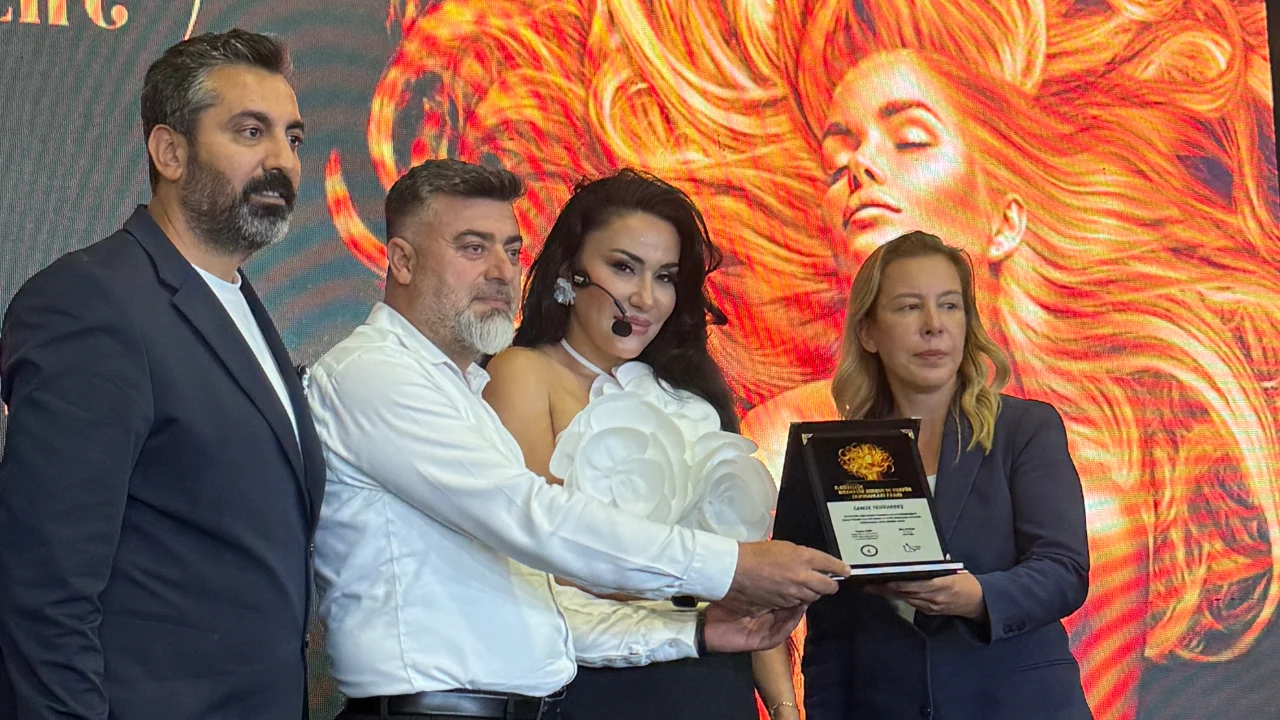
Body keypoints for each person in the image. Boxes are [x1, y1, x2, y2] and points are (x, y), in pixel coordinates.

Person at [325, 3, 1280, 717]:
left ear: (1007, 218)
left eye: (910, 136)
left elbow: (1062, 583)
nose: (860, 167)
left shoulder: (1048, 444)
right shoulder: (781, 430)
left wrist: (967, 598)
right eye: (837, 152)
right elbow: (544, 548)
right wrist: (757, 641)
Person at [306, 159, 849, 720]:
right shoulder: (375, 373)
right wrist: (730, 567)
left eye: (511, 250)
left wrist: (692, 633)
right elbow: (535, 519)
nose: (500, 271)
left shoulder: (463, 388)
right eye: (472, 248)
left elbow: (539, 614)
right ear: (401, 260)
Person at [0, 29, 325, 720]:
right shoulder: (91, 302)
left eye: (292, 138)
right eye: (250, 132)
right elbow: (46, 590)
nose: (282, 160)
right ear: (169, 152)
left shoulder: (242, 303)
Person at [482, 169, 794, 720]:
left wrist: (784, 705)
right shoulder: (522, 373)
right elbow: (543, 554)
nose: (646, 298)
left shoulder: (692, 395)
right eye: (624, 267)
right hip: (596, 682)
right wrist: (700, 582)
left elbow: (748, 573)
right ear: (569, 271)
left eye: (666, 276)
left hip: (715, 677)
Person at [761, 230, 1089, 719]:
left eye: (950, 306)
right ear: (868, 332)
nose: (933, 326)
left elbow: (1064, 572)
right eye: (910, 307)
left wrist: (975, 597)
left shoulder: (1026, 428)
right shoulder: (832, 454)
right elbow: (828, 627)